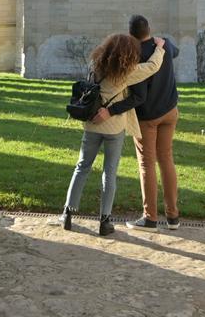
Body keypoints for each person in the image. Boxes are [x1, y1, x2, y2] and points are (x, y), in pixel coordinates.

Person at [60, 31, 167, 236]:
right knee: (109, 173)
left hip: (91, 125)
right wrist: (160, 47)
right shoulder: (127, 72)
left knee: (82, 167)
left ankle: (68, 213)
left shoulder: (95, 65)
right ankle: (105, 220)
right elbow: (153, 67)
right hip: (114, 127)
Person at [120, 14, 181, 231]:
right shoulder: (163, 45)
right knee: (166, 160)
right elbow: (176, 52)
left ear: (131, 34)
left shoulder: (135, 56)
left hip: (148, 117)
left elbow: (138, 95)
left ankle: (150, 218)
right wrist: (161, 43)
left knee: (147, 164)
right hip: (170, 110)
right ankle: (173, 217)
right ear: (149, 30)